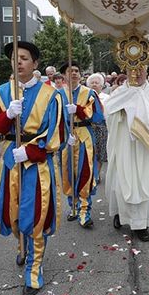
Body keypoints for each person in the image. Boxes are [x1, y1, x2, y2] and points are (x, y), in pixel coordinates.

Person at [0, 41, 66, 295]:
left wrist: (31, 151)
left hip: (36, 164)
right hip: (11, 162)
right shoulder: (2, 93)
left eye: (24, 58)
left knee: (34, 214)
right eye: (15, 58)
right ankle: (21, 245)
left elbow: (56, 133)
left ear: (34, 64)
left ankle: (34, 269)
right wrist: (6, 117)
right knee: (12, 211)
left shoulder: (52, 95)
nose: (19, 62)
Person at [105, 64, 149, 242]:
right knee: (122, 181)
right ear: (126, 72)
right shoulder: (119, 93)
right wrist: (123, 113)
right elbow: (108, 112)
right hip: (124, 143)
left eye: (140, 70)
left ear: (146, 72)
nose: (136, 73)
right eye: (132, 70)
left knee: (145, 182)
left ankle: (141, 224)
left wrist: (144, 116)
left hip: (146, 148)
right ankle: (121, 213)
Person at [60, 61, 104, 228]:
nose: (74, 74)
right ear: (64, 75)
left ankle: (84, 210)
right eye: (70, 71)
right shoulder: (58, 94)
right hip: (66, 137)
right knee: (68, 172)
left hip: (84, 135)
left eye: (77, 71)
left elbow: (97, 116)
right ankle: (73, 206)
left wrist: (78, 109)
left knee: (85, 171)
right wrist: (63, 136)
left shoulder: (89, 93)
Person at [86, 73, 109, 182]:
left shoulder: (107, 98)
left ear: (101, 85)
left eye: (97, 83)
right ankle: (89, 173)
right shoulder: (85, 97)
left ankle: (97, 174)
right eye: (92, 83)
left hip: (101, 127)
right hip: (88, 127)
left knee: (100, 152)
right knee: (89, 152)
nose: (94, 84)